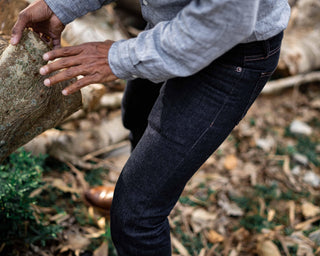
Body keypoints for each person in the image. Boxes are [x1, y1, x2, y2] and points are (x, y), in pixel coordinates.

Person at [11, 0, 290, 255]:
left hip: (232, 51)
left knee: (135, 217)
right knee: (137, 116)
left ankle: (139, 210)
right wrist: (62, 5)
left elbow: (226, 20)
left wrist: (117, 57)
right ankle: (140, 188)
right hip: (172, 24)